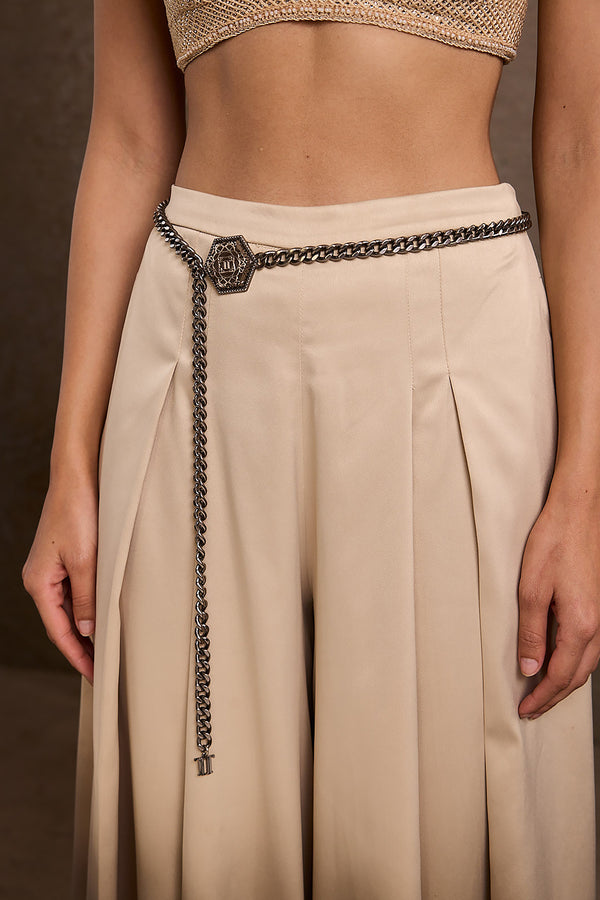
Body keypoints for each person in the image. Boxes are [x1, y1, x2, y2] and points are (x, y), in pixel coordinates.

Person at [21, 0, 600, 896]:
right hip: (197, 345)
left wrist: (584, 491)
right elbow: (129, 140)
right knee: (207, 824)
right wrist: (70, 467)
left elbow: (582, 152)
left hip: (455, 354)